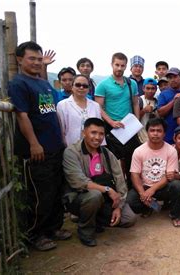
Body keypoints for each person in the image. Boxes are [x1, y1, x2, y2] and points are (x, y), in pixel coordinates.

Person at [8, 41, 71, 251]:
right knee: (39, 193)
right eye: (31, 59)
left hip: (54, 147)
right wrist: (34, 143)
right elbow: (22, 115)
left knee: (55, 191)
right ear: (19, 59)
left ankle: (53, 228)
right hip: (37, 150)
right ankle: (35, 235)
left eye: (38, 58)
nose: (36, 62)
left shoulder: (42, 83)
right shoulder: (19, 83)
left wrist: (44, 66)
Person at [62, 118, 137, 246]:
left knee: (129, 219)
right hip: (80, 198)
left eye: (101, 134)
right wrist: (107, 189)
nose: (97, 137)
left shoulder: (106, 153)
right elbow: (78, 182)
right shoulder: (71, 152)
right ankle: (85, 230)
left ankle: (95, 219)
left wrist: (118, 206)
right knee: (94, 195)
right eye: (93, 133)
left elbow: (120, 179)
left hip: (105, 200)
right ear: (84, 132)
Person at [127, 118, 180, 227]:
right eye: (152, 130)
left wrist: (152, 190)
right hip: (144, 186)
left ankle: (175, 215)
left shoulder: (171, 150)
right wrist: (142, 193)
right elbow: (134, 174)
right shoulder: (138, 151)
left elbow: (169, 175)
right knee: (131, 202)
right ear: (147, 132)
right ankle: (148, 207)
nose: (155, 133)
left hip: (162, 187)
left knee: (177, 185)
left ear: (164, 133)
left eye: (159, 131)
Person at [94, 52, 141, 186]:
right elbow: (98, 107)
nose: (119, 68)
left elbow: (135, 103)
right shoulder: (103, 85)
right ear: (111, 64)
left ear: (126, 66)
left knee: (132, 158)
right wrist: (111, 122)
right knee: (114, 160)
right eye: (117, 65)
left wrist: (136, 121)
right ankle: (118, 187)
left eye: (122, 65)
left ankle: (133, 188)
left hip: (129, 127)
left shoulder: (131, 83)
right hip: (111, 128)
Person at [57, 75, 102, 146]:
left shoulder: (95, 106)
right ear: (72, 87)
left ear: (88, 89)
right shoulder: (62, 105)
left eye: (85, 86)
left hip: (93, 146)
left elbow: (99, 128)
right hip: (71, 146)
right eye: (78, 85)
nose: (81, 87)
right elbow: (61, 129)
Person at [157, 67, 180, 144]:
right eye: (170, 78)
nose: (172, 79)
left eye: (175, 77)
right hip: (169, 136)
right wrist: (174, 101)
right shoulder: (163, 94)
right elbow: (160, 112)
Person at [137, 78, 159, 143]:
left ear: (156, 89)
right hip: (141, 136)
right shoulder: (139, 100)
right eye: (148, 88)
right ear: (143, 88)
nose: (150, 91)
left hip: (155, 136)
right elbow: (134, 120)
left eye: (153, 88)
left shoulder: (157, 101)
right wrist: (144, 111)